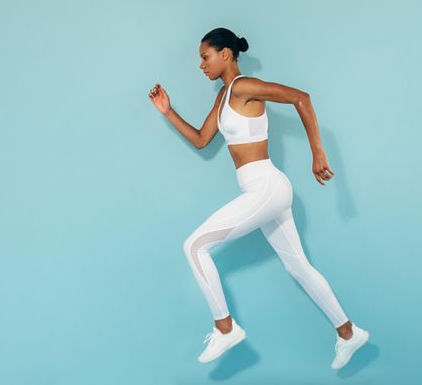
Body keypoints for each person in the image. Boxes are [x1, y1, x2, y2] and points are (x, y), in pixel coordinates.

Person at [148, 27, 369, 370]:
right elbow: (202, 140)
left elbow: (302, 98)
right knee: (298, 266)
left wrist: (317, 152)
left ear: (226, 54)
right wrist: (167, 111)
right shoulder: (223, 97)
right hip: (261, 190)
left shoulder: (244, 86)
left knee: (193, 246)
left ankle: (225, 328)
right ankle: (348, 333)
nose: (201, 65)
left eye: (205, 57)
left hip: (266, 185)